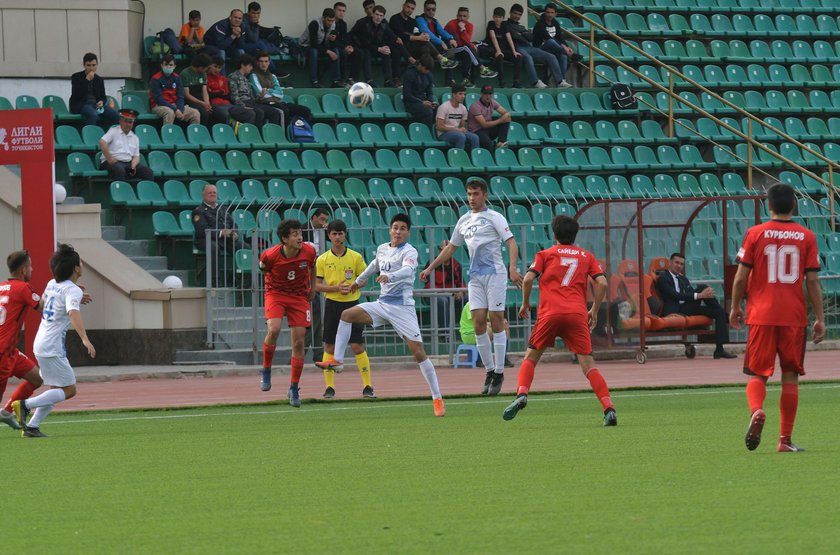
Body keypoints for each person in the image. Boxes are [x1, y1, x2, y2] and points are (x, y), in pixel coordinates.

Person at [317, 214, 446, 417]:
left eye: (403, 228)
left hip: (402, 308)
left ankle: (437, 397)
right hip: (382, 304)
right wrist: (357, 282)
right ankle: (338, 361)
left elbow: (407, 271)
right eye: (395, 227)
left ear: (408, 232)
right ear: (390, 230)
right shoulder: (383, 249)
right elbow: (372, 267)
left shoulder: (410, 251)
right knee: (347, 315)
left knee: (418, 353)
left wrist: (390, 276)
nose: (398, 232)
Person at [730, 182, 824, 453]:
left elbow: (740, 276)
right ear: (794, 205)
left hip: (761, 314)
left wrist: (735, 306)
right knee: (791, 376)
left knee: (757, 373)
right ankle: (784, 441)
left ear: (767, 205)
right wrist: (819, 317)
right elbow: (813, 281)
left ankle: (757, 410)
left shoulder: (755, 233)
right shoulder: (806, 236)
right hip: (793, 317)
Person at [502, 215, 617, 426]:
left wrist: (526, 304)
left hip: (550, 313)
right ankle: (608, 408)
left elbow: (527, 279)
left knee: (530, 358)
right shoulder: (586, 256)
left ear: (553, 234)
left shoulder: (545, 254)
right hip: (576, 314)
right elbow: (602, 284)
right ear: (575, 234)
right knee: (589, 365)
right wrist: (594, 309)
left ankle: (522, 394)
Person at [420, 178, 523, 396]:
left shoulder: (495, 217)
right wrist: (430, 268)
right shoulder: (464, 220)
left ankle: (500, 371)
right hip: (475, 277)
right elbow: (451, 248)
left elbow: (511, 242)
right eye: (469, 194)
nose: (471, 198)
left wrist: (513, 268)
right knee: (477, 323)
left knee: (496, 320)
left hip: (495, 274)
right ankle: (489, 370)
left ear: (485, 195)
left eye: (475, 194)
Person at [12, 244, 96, 438]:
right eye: (80, 263)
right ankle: (25, 405)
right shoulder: (72, 290)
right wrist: (85, 338)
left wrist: (75, 295)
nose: (81, 265)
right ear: (75, 268)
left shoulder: (52, 284)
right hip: (52, 346)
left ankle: (32, 426)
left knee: (56, 388)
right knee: (70, 389)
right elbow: (72, 312)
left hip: (40, 342)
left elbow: (44, 304)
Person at [259, 220, 317, 408]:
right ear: (284, 239)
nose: (299, 237)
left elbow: (313, 267)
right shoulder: (270, 255)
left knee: (299, 341)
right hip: (276, 294)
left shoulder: (309, 252)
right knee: (274, 329)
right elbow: (263, 269)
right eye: (294, 234)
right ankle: (266, 369)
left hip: (299, 297)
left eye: (300, 233)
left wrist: (313, 288)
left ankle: (293, 387)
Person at [315, 219, 375, 399]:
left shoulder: (355, 257)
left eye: (340, 233)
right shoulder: (322, 259)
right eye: (334, 234)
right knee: (330, 345)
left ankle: (367, 386)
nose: (337, 237)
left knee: (357, 345)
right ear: (329, 236)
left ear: (345, 235)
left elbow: (364, 278)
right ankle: (329, 388)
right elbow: (316, 285)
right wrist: (334, 288)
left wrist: (356, 285)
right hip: (333, 305)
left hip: (352, 304)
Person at [656, 252, 736, 359]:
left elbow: (689, 293)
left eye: (681, 264)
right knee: (702, 287)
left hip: (689, 308)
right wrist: (700, 295)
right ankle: (729, 318)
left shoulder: (683, 279)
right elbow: (675, 296)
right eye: (676, 263)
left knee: (718, 312)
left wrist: (701, 295)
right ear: (670, 262)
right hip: (676, 310)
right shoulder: (663, 278)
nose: (679, 266)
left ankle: (719, 350)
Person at [0, 250, 44, 430]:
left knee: (37, 378)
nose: (32, 270)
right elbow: (43, 307)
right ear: (24, 270)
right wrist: (69, 296)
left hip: (11, 352)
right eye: (31, 266)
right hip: (2, 352)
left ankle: (7, 412)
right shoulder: (22, 287)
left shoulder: (2, 286)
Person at [348, 5, 411, 87]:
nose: (378, 18)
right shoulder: (363, 23)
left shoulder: (384, 23)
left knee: (386, 52)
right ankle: (369, 80)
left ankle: (388, 81)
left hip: (374, 48)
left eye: (381, 16)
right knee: (366, 53)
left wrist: (396, 39)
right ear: (372, 14)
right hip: (359, 47)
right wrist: (379, 49)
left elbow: (391, 35)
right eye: (377, 15)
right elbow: (364, 43)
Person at [507, 4, 565, 88]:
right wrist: (522, 34)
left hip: (528, 47)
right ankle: (535, 81)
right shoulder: (506, 25)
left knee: (551, 56)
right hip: (517, 47)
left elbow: (531, 37)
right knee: (528, 57)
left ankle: (560, 81)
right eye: (515, 13)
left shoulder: (521, 27)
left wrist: (521, 34)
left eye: (519, 14)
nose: (517, 16)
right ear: (510, 13)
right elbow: (515, 36)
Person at [249, 51, 314, 125]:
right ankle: (283, 135)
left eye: (266, 61)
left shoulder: (272, 76)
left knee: (305, 110)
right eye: (261, 61)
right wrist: (273, 92)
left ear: (269, 62)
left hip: (278, 102)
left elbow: (280, 94)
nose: (264, 64)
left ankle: (306, 134)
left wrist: (268, 90)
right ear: (257, 62)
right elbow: (260, 93)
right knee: (284, 110)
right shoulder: (253, 75)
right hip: (265, 103)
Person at [443, 6, 498, 87]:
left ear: (468, 17)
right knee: (467, 47)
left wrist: (463, 29)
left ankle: (466, 79)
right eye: (460, 16)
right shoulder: (451, 24)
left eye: (464, 16)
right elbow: (460, 42)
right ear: (457, 16)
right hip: (449, 50)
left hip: (460, 50)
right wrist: (471, 44)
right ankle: (482, 68)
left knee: (466, 53)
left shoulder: (470, 26)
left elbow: (466, 40)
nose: (462, 18)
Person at [303, 208, 330, 367]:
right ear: (313, 218)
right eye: (321, 219)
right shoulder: (302, 230)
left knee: (318, 316)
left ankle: (316, 354)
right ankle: (316, 354)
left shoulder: (326, 232)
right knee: (316, 315)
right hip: (306, 274)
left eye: (325, 220)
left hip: (319, 273)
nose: (323, 223)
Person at [98, 108, 155, 180]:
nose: (128, 124)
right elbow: (102, 142)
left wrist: (133, 167)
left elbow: (136, 156)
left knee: (148, 172)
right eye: (126, 121)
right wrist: (110, 158)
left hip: (127, 163)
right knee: (119, 170)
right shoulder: (113, 131)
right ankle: (120, 191)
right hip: (111, 163)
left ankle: (146, 191)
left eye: (130, 122)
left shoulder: (135, 137)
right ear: (120, 121)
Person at [424, 239, 465, 338]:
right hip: (434, 294)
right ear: (439, 250)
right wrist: (446, 292)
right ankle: (445, 333)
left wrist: (460, 292)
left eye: (449, 250)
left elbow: (462, 284)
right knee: (443, 300)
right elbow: (428, 285)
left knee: (467, 299)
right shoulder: (432, 263)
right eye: (444, 250)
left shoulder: (456, 264)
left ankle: (466, 330)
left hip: (451, 295)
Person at [228, 54, 283, 126]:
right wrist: (243, 106)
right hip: (242, 103)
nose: (251, 68)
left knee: (274, 112)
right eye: (250, 66)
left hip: (251, 102)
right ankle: (257, 134)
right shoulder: (233, 77)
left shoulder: (246, 79)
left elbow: (252, 98)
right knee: (259, 112)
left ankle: (270, 135)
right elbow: (234, 96)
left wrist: (260, 98)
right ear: (242, 65)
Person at [192, 183, 246, 256]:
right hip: (206, 240)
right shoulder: (199, 211)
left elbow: (233, 224)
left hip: (225, 240)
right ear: (203, 195)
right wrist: (221, 233)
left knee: (245, 247)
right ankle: (213, 268)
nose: (212, 194)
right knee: (213, 248)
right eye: (209, 193)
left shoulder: (223, 209)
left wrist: (234, 232)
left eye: (214, 192)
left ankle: (243, 267)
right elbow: (202, 230)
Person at [416, 0, 463, 84]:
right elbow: (427, 33)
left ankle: (449, 80)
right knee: (426, 49)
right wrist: (441, 42)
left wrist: (450, 38)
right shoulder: (420, 19)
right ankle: (429, 81)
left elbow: (442, 31)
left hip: (436, 47)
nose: (431, 11)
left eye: (433, 9)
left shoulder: (434, 21)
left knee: (450, 47)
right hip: (425, 46)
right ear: (424, 9)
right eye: (428, 9)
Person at [149, 54, 201, 126]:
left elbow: (180, 96)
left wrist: (179, 109)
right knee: (169, 112)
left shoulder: (177, 78)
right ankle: (167, 136)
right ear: (161, 65)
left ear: (174, 66)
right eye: (166, 64)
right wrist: (176, 110)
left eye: (171, 65)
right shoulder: (155, 79)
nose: (168, 67)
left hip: (175, 105)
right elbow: (159, 100)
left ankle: (193, 136)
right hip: (159, 106)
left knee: (195, 113)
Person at [69, 53, 120, 126]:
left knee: (117, 116)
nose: (91, 68)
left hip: (96, 105)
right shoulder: (76, 77)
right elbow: (76, 94)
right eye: (88, 65)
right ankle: (90, 135)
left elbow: (103, 97)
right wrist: (87, 80)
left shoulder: (99, 79)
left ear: (96, 65)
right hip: (81, 104)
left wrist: (101, 102)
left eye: (93, 65)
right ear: (84, 65)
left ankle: (111, 135)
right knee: (93, 114)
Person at [458, 302, 514, 368]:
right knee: (486, 329)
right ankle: (480, 360)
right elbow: (478, 323)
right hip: (468, 334)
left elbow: (493, 321)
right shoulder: (471, 304)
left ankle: (503, 359)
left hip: (479, 330)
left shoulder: (488, 306)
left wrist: (503, 324)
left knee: (502, 329)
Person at [206, 56, 258, 125]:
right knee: (225, 115)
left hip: (228, 104)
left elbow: (226, 94)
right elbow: (209, 94)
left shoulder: (223, 78)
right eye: (215, 66)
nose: (217, 70)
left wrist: (216, 92)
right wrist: (220, 92)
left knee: (250, 113)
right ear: (209, 66)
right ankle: (231, 131)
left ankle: (247, 134)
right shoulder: (206, 78)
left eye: (219, 68)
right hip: (214, 104)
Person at [533, 3, 574, 88]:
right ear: (545, 13)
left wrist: (566, 47)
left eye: (552, 13)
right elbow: (546, 37)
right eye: (548, 12)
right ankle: (572, 55)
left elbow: (560, 37)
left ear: (556, 14)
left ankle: (562, 81)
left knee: (563, 56)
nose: (549, 15)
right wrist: (564, 48)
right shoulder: (540, 24)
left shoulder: (555, 23)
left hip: (552, 49)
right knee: (551, 41)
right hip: (540, 48)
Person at [480, 7, 523, 88]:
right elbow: (493, 37)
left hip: (504, 49)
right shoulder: (491, 24)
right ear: (493, 17)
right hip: (492, 49)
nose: (497, 19)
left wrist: (514, 51)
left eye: (499, 17)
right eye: (496, 17)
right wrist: (498, 51)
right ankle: (502, 81)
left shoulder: (505, 24)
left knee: (518, 57)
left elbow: (509, 37)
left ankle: (516, 81)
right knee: (499, 56)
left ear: (503, 18)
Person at [300, 8, 343, 88]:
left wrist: (333, 40)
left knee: (336, 50)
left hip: (321, 47)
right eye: (328, 20)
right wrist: (328, 51)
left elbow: (333, 45)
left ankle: (336, 81)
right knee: (314, 51)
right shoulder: (315, 23)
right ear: (323, 18)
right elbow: (313, 44)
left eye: (332, 21)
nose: (330, 23)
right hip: (305, 46)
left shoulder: (334, 25)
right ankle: (314, 81)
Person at [435, 83, 479, 151]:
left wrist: (463, 129)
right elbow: (439, 127)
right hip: (443, 134)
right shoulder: (444, 107)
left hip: (457, 132)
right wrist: (456, 130)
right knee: (460, 136)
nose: (463, 96)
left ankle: (475, 159)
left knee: (475, 137)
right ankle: (458, 159)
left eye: (464, 94)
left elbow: (462, 126)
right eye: (460, 94)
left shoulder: (463, 108)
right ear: (454, 94)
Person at [468, 84, 511, 150]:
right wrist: (500, 120)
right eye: (486, 94)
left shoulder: (493, 102)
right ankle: (491, 158)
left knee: (506, 119)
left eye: (490, 94)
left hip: (488, 130)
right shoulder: (475, 106)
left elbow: (506, 113)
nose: (488, 96)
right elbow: (484, 125)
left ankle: (501, 142)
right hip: (477, 131)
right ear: (481, 94)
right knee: (488, 144)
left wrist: (505, 117)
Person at [402, 55, 437, 129]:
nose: (427, 71)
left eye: (429, 70)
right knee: (428, 112)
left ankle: (436, 133)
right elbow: (407, 94)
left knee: (439, 109)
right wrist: (421, 102)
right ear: (420, 65)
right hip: (411, 103)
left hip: (423, 101)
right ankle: (426, 134)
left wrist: (431, 101)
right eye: (426, 69)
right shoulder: (409, 74)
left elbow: (429, 92)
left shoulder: (428, 75)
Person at [179, 53, 213, 126]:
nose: (207, 70)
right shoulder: (185, 73)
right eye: (207, 68)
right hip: (191, 101)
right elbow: (187, 95)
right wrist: (201, 103)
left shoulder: (203, 74)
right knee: (204, 114)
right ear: (201, 67)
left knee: (219, 113)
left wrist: (207, 103)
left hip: (201, 100)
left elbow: (204, 91)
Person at [332, 2, 356, 85]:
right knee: (340, 52)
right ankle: (338, 80)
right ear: (334, 10)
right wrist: (344, 47)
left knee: (357, 52)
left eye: (343, 11)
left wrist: (348, 46)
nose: (341, 12)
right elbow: (332, 41)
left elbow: (344, 38)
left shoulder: (343, 24)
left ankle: (349, 79)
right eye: (339, 10)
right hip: (329, 46)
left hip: (339, 46)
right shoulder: (330, 21)